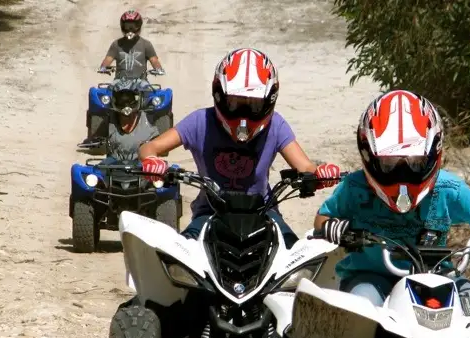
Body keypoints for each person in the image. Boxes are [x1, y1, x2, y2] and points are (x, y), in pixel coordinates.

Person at [313, 90, 470, 315]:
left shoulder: (448, 189)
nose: (402, 176)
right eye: (389, 165)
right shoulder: (355, 187)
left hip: (438, 277)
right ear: (367, 155)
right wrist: (331, 226)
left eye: (415, 163)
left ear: (435, 152)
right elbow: (323, 217)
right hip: (371, 277)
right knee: (359, 310)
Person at [138, 47, 341, 247]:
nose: (243, 117)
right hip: (210, 212)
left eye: (253, 105)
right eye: (235, 103)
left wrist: (320, 173)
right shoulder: (201, 122)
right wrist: (151, 160)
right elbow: (151, 146)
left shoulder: (276, 125)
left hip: (264, 213)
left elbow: (304, 166)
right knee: (180, 257)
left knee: (296, 257)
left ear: (270, 99)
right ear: (219, 95)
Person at [97, 10, 165, 86]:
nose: (130, 29)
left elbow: (154, 60)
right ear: (122, 26)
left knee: (153, 95)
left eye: (133, 26)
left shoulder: (146, 44)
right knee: (104, 93)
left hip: (141, 82)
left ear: (139, 26)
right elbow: (108, 59)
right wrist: (103, 67)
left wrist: (158, 69)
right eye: (127, 26)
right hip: (119, 81)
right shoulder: (116, 44)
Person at [99, 78, 159, 164]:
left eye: (129, 99)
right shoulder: (109, 119)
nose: (125, 104)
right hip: (114, 163)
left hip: (141, 163)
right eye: (121, 100)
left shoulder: (148, 118)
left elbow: (160, 146)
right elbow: (97, 145)